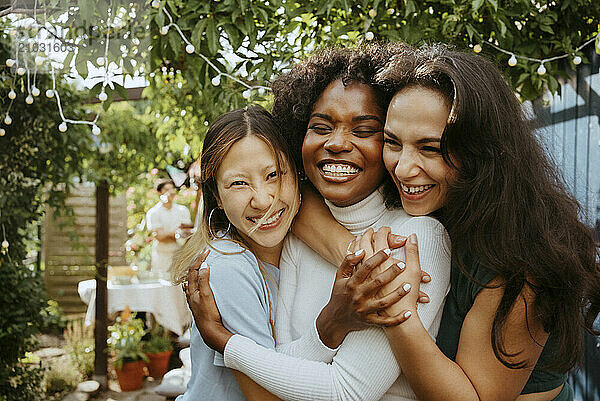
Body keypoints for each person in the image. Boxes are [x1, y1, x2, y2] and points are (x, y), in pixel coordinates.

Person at [301, 44, 600, 401]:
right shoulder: (428, 199)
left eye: (430, 148)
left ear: (481, 151)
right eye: (393, 142)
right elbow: (297, 202)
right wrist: (364, 260)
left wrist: (396, 308)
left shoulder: (520, 256)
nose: (403, 167)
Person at [186, 44, 452, 400]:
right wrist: (332, 322)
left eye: (364, 130)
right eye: (321, 126)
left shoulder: (415, 238)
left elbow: (345, 392)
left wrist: (225, 342)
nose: (338, 143)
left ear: (390, 140)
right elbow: (277, 368)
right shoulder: (294, 235)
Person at [171, 106, 302, 400]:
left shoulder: (298, 250)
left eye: (274, 174)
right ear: (216, 194)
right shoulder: (228, 265)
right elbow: (267, 394)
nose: (263, 199)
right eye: (239, 183)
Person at [146, 179, 192, 273]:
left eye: (172, 189)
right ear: (159, 192)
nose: (170, 192)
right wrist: (177, 233)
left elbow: (188, 233)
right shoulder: (154, 213)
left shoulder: (182, 210)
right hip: (161, 256)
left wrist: (171, 234)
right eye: (166, 189)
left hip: (180, 255)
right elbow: (160, 237)